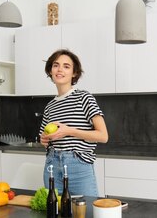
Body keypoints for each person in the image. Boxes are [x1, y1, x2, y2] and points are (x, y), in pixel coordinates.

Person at [39, 49, 108, 197]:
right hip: (52, 163)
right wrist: (44, 139)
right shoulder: (50, 106)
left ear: (74, 73)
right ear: (50, 70)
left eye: (66, 66)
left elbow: (103, 136)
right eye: (56, 65)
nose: (60, 69)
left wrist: (69, 131)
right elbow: (44, 140)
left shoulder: (84, 98)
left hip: (78, 165)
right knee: (55, 211)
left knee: (87, 212)